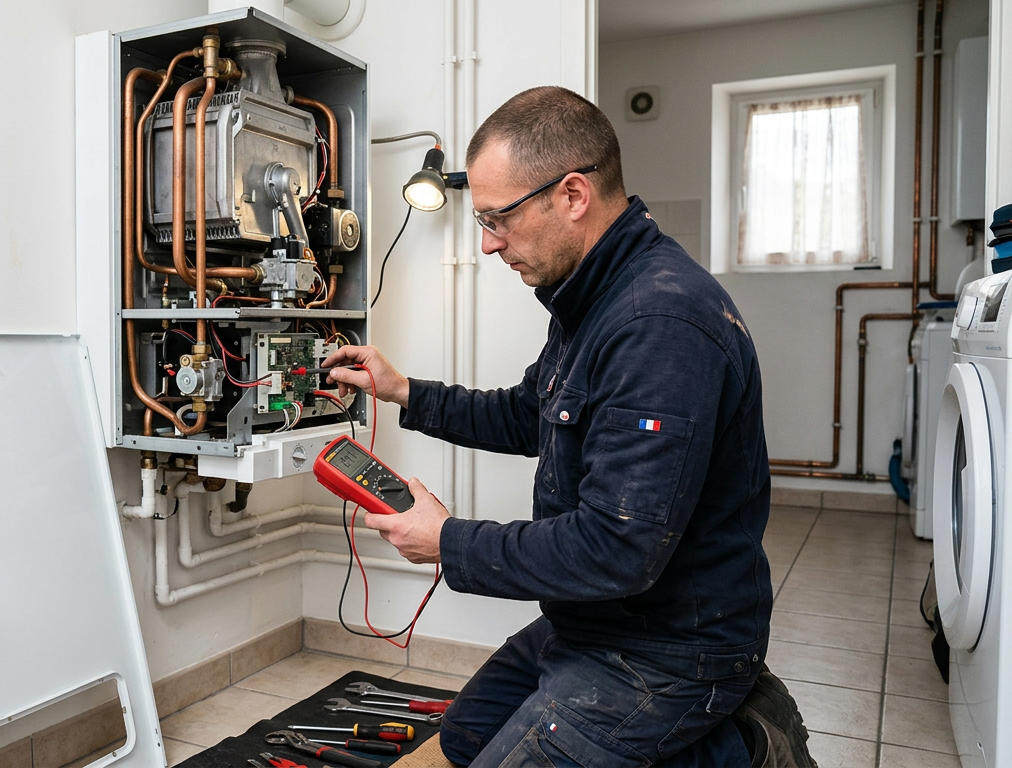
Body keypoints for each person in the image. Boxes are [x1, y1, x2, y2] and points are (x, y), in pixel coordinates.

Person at [323, 86, 772, 766]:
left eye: (498, 218)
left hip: (669, 649)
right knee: (465, 738)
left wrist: (448, 541)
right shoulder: (590, 301)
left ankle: (730, 748)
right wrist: (403, 391)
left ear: (571, 195)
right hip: (589, 624)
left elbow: (617, 549)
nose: (487, 243)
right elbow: (526, 414)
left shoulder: (658, 325)